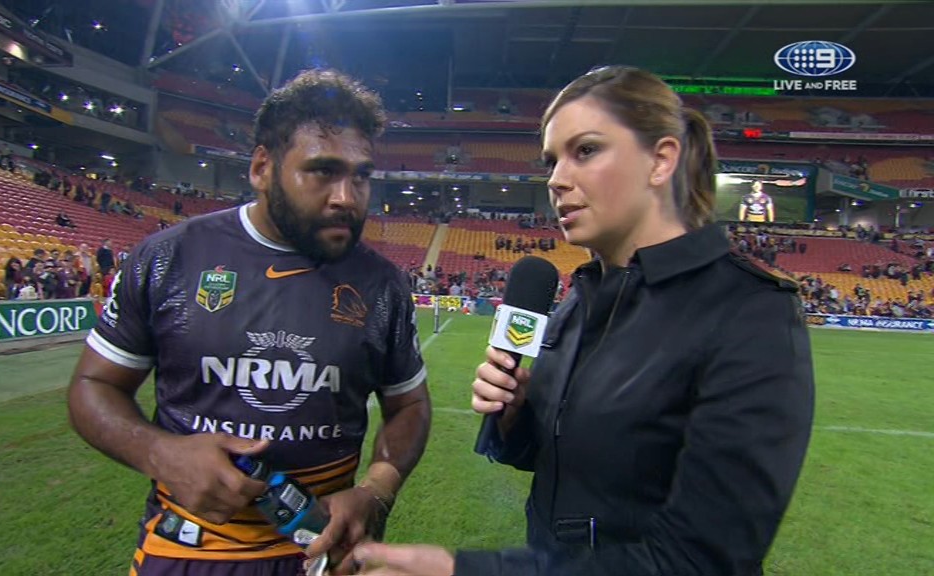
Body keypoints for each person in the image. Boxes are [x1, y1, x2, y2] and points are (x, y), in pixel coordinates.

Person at [349, 66, 814, 576]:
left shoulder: (748, 311)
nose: (555, 179)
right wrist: (516, 415)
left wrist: (466, 571)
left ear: (661, 160)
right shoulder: (579, 300)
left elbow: (700, 561)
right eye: (551, 160)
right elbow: (560, 462)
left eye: (586, 150)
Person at [67, 69, 432, 576]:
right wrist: (160, 452)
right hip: (187, 552)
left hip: (324, 555)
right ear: (262, 168)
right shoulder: (168, 258)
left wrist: (376, 490)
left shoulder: (381, 284)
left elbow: (409, 403)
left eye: (361, 176)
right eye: (322, 171)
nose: (347, 197)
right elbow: (93, 385)